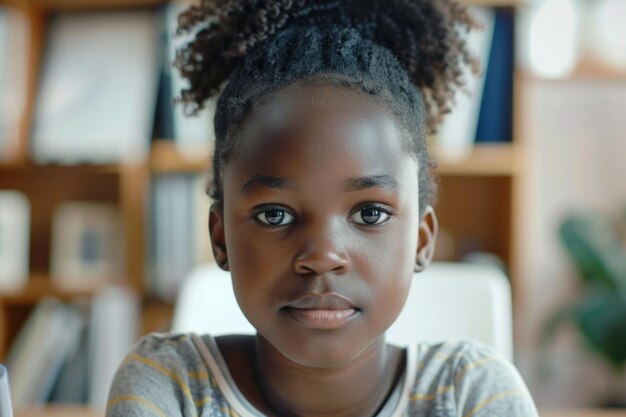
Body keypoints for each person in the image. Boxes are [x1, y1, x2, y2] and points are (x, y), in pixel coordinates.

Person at [107, 0, 539, 416]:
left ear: (421, 240)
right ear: (220, 238)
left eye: (370, 213)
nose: (322, 256)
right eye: (275, 214)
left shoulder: (473, 393)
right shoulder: (169, 386)